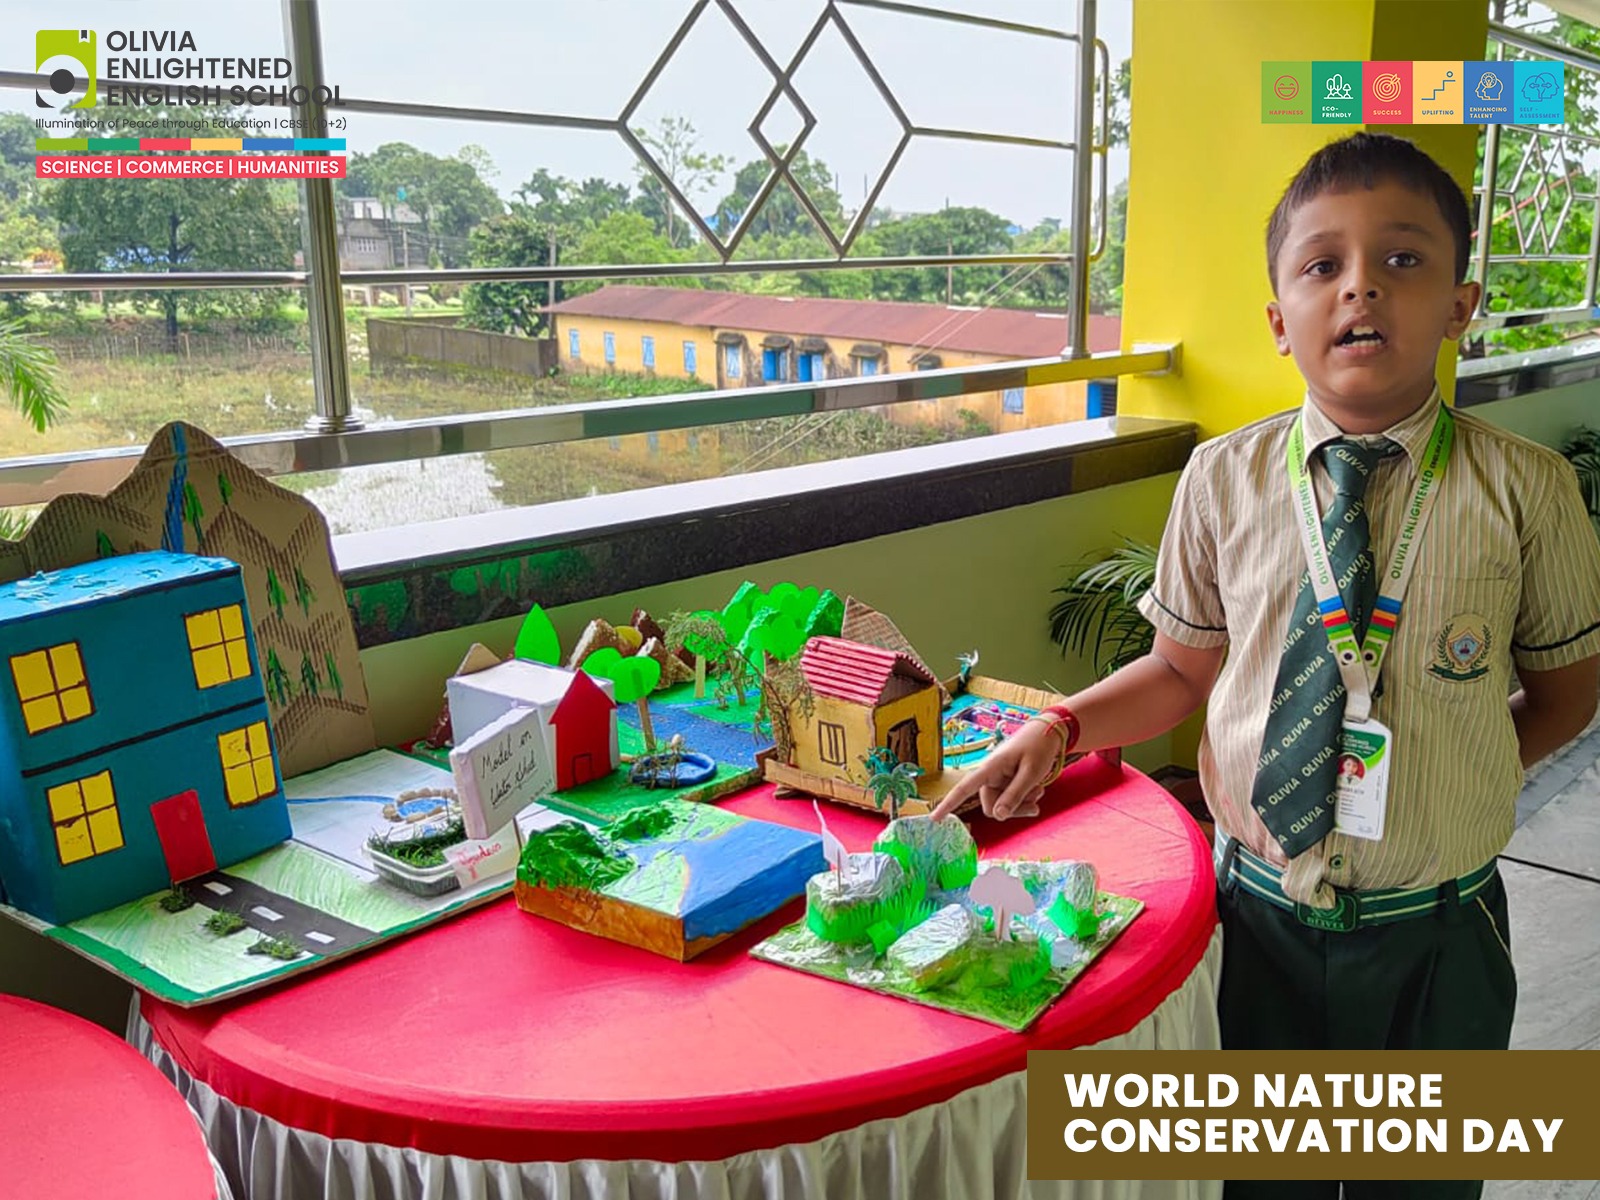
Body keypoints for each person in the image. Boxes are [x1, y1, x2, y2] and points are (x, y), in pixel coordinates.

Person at [931, 132, 1600, 1200]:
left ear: (1461, 305)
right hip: (1254, 927)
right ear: (1280, 320)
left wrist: (1458, 771)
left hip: (1438, 937)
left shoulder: (1528, 492)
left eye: (1403, 259)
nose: (1361, 288)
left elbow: (1567, 693)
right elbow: (1178, 672)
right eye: (1322, 264)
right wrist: (1058, 727)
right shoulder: (1221, 478)